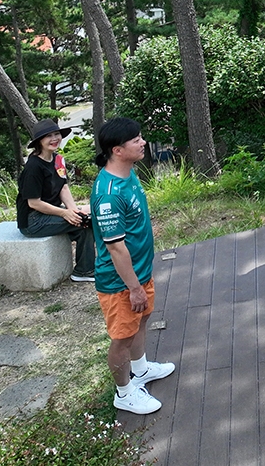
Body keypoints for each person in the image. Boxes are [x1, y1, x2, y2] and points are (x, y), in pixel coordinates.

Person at [91, 117, 175, 415]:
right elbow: (115, 248)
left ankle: (140, 370)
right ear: (117, 150)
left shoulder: (129, 174)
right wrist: (134, 288)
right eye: (136, 140)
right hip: (121, 282)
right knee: (122, 338)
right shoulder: (108, 194)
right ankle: (124, 393)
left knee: (141, 321)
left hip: (140, 271)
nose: (143, 143)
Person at [16, 118, 95, 282]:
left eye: (57, 134)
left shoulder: (58, 159)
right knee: (85, 223)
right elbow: (33, 203)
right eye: (48, 136)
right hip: (33, 221)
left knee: (85, 220)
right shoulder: (33, 167)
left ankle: (84, 269)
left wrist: (74, 211)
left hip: (52, 213)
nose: (54, 139)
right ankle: (86, 270)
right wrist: (64, 213)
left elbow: (63, 188)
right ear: (39, 141)